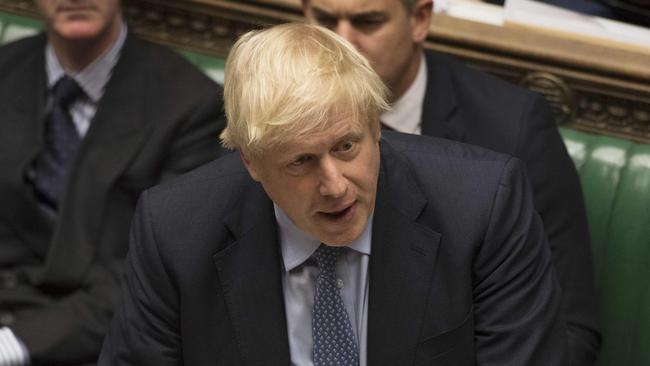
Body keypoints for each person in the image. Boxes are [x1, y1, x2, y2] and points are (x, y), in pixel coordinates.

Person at [99, 22, 568, 365]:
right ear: (251, 163)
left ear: (374, 127)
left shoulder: (481, 205)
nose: (336, 185)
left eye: (347, 146)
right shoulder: (175, 229)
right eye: (301, 162)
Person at [301, 0, 600, 363]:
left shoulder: (511, 130)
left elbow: (569, 327)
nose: (342, 43)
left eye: (368, 22)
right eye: (325, 19)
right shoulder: (268, 125)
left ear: (420, 19)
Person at [0, 0, 226, 364]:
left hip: (101, 341)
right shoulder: (6, 70)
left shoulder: (192, 106)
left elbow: (162, 273)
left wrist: (14, 344)